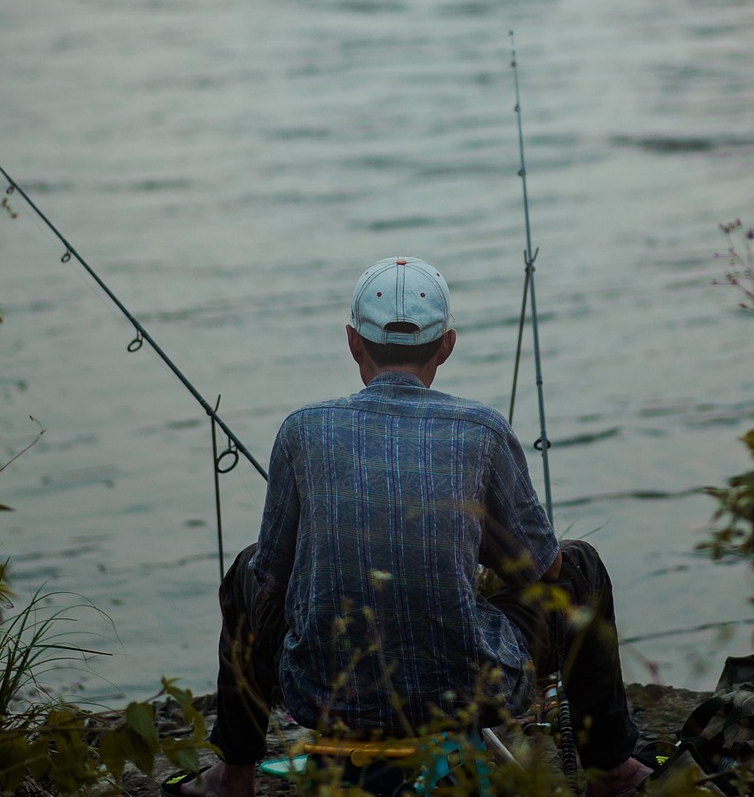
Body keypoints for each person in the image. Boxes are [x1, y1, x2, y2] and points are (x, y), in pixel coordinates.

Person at [164, 257, 656, 797]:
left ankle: (233, 776)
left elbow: (271, 580)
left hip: (321, 691)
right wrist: (482, 544)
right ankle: (613, 772)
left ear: (353, 342)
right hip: (473, 689)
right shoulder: (483, 430)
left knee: (246, 570)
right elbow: (547, 569)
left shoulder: (302, 430)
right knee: (581, 566)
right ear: (446, 345)